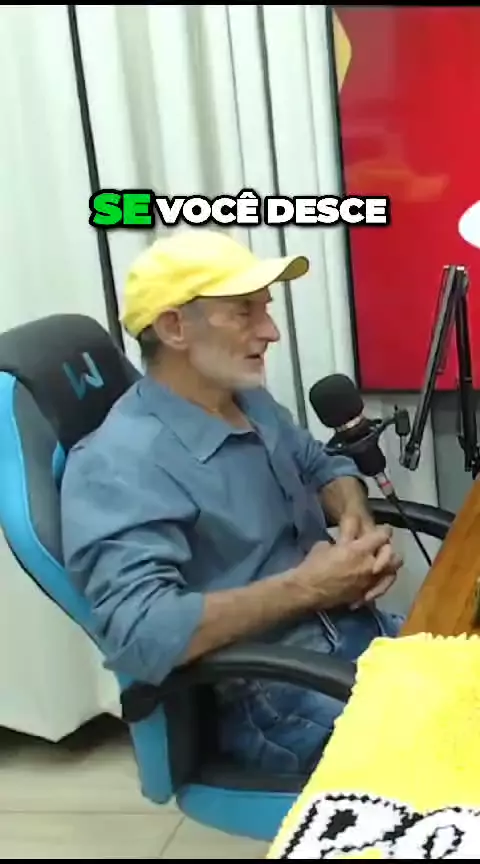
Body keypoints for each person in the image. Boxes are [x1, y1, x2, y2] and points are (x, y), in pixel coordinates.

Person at [60, 229, 403, 775]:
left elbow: (321, 465)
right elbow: (141, 633)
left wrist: (352, 519)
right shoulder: (117, 463)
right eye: (245, 312)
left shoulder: (247, 400)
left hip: (357, 634)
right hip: (272, 695)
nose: (270, 332)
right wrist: (311, 586)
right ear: (174, 327)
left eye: (265, 309)